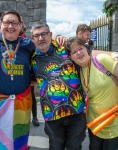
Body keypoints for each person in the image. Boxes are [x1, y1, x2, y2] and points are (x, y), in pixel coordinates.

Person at [0, 10, 36, 150]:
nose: (10, 26)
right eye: (7, 22)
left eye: (14, 23)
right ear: (1, 24)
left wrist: (60, 38)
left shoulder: (28, 45)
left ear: (20, 25)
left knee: (19, 140)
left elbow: (45, 50)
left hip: (22, 101)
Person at [31, 22, 86, 150]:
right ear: (32, 38)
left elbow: (87, 55)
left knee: (75, 147)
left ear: (50, 35)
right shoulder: (32, 59)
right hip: (52, 114)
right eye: (36, 36)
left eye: (44, 34)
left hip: (75, 110)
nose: (40, 38)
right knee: (55, 147)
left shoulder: (66, 48)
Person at [65, 37, 118, 150]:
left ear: (86, 49)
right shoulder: (78, 71)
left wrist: (114, 54)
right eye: (74, 52)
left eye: (80, 48)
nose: (78, 52)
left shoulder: (101, 60)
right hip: (94, 123)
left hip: (114, 123)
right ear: (71, 57)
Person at [19, 16, 40, 126]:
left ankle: (35, 117)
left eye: (21, 22)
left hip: (28, 74)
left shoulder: (28, 41)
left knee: (31, 96)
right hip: (15, 74)